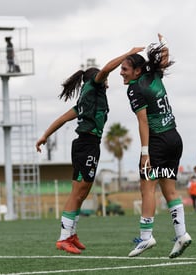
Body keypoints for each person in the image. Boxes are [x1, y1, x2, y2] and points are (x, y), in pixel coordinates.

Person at [35, 46, 144, 255]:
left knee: (82, 192)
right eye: (105, 79)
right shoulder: (93, 87)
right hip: (87, 144)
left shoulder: (87, 96)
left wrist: (44, 136)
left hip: (86, 145)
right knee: (77, 192)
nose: (108, 81)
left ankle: (71, 234)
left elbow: (61, 119)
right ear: (98, 79)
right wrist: (128, 53)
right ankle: (63, 238)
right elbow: (106, 69)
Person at [120, 33, 191, 258]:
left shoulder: (134, 88)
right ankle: (181, 235)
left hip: (158, 140)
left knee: (147, 187)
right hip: (175, 138)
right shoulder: (153, 75)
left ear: (137, 71)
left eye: (125, 69)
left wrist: (144, 153)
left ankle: (145, 236)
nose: (121, 72)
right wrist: (165, 44)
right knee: (169, 190)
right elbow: (164, 59)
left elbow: (143, 121)